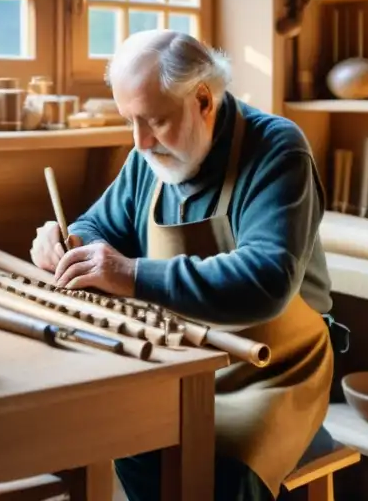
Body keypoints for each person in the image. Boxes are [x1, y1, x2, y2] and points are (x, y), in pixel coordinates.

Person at [30, 29, 336, 501]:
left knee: (227, 477)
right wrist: (69, 243)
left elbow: (266, 280)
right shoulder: (147, 157)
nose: (140, 142)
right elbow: (98, 226)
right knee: (121, 442)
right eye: (129, 120)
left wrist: (130, 274)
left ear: (203, 99)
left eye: (154, 120)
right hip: (177, 360)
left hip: (271, 372)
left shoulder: (276, 149)